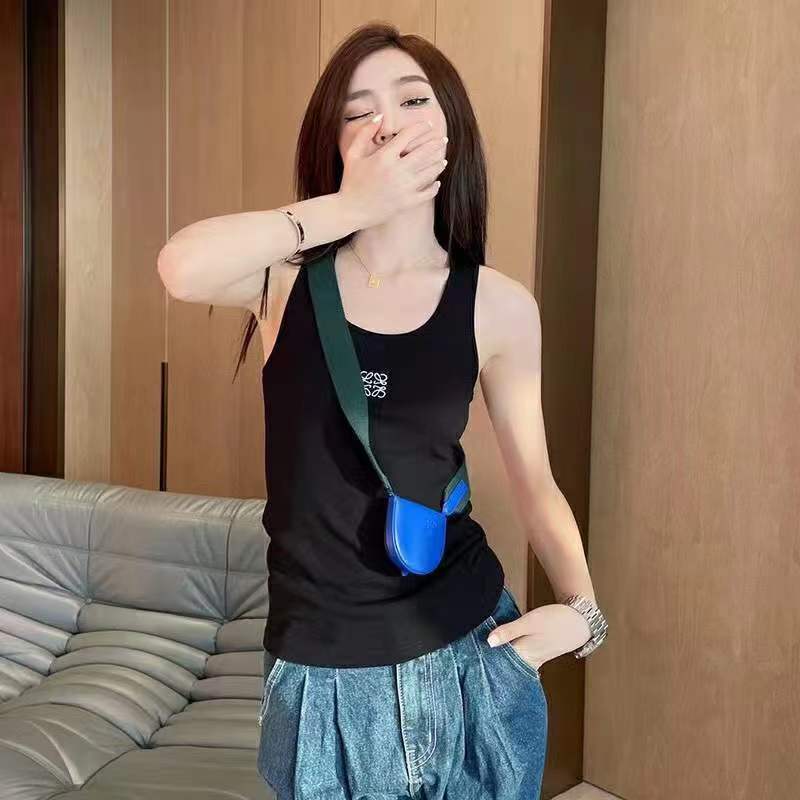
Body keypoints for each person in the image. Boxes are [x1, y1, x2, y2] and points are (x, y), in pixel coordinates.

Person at [157, 21, 606, 800]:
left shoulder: (497, 305)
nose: (386, 122)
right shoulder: (284, 282)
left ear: (451, 129)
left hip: (470, 651)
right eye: (357, 111)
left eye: (412, 100)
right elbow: (181, 267)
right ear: (335, 144)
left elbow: (535, 483)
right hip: (321, 676)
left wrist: (585, 613)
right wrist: (348, 207)